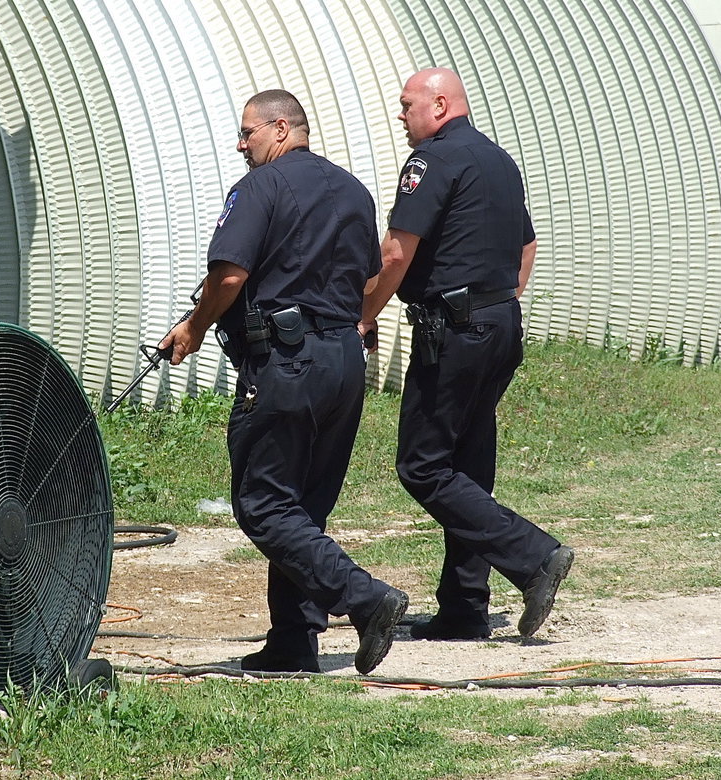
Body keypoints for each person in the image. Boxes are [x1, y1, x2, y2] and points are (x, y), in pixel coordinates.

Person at [162, 89, 409, 675]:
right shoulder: (352, 189)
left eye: (246, 132)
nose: (240, 144)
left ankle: (365, 598)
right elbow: (370, 277)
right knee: (304, 507)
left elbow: (229, 276)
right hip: (343, 360)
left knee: (264, 505)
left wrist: (195, 325)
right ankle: (293, 644)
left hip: (287, 362)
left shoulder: (260, 187)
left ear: (279, 128)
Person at [359, 67, 573, 641]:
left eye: (407, 104)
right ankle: (464, 608)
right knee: (468, 469)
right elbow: (527, 245)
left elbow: (396, 252)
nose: (401, 115)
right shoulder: (499, 160)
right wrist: (495, 301)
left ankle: (534, 557)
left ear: (439, 105)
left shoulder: (432, 160)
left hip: (455, 331)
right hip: (498, 323)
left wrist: (365, 314)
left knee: (424, 466)